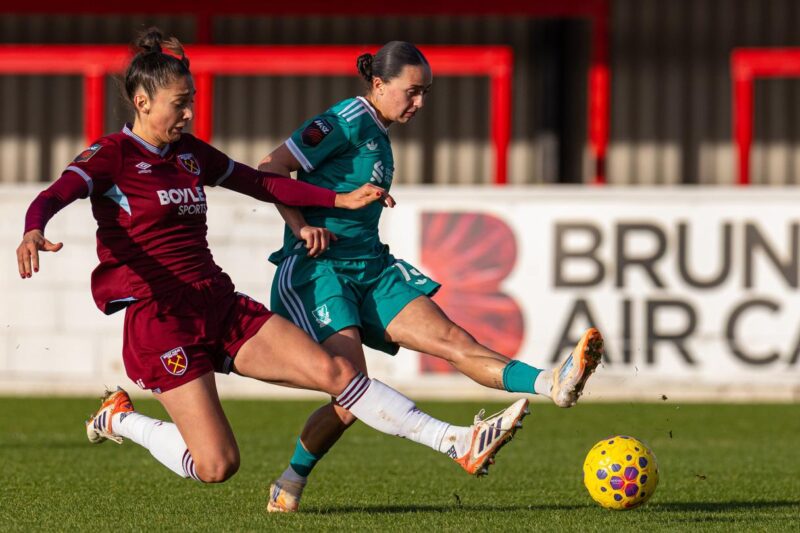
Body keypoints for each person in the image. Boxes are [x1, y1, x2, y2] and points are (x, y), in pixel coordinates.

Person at [15, 30, 530, 491]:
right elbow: (55, 193)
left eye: (191, 102)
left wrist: (337, 201)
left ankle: (457, 442)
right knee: (217, 465)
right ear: (143, 101)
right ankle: (119, 419)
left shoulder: (191, 153)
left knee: (336, 372)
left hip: (217, 301)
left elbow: (261, 181)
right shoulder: (112, 156)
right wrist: (34, 228)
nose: (190, 113)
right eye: (180, 104)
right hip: (162, 321)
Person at [259, 41, 605, 512]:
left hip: (371, 267)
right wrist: (303, 226)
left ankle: (554, 385)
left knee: (451, 342)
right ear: (379, 85)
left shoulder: (378, 130)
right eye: (412, 92)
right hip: (319, 272)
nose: (419, 104)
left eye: (425, 93)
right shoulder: (346, 117)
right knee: (352, 389)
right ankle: (443, 444)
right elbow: (271, 168)